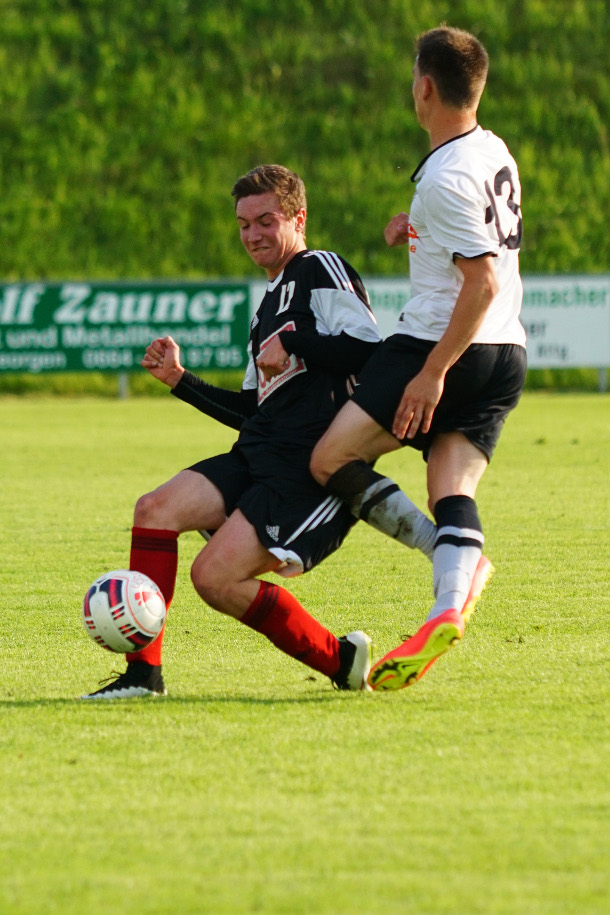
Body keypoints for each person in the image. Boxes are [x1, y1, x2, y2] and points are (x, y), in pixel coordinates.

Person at [81, 163, 410, 699]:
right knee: (154, 511)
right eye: (243, 225)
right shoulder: (265, 310)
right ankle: (144, 676)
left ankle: (340, 660)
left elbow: (369, 351)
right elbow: (253, 411)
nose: (252, 234)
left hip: (307, 463)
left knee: (213, 579)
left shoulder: (320, 268)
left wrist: (297, 340)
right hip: (258, 448)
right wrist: (180, 381)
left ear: (298, 218)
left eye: (266, 220)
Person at [310, 26, 527, 691]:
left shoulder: (445, 177)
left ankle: (445, 556)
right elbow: (481, 237)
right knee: (451, 488)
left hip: (439, 345)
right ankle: (447, 602)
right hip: (506, 351)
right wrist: (417, 228)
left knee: (330, 457)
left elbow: (481, 278)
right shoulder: (492, 150)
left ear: (424, 87)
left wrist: (431, 372)